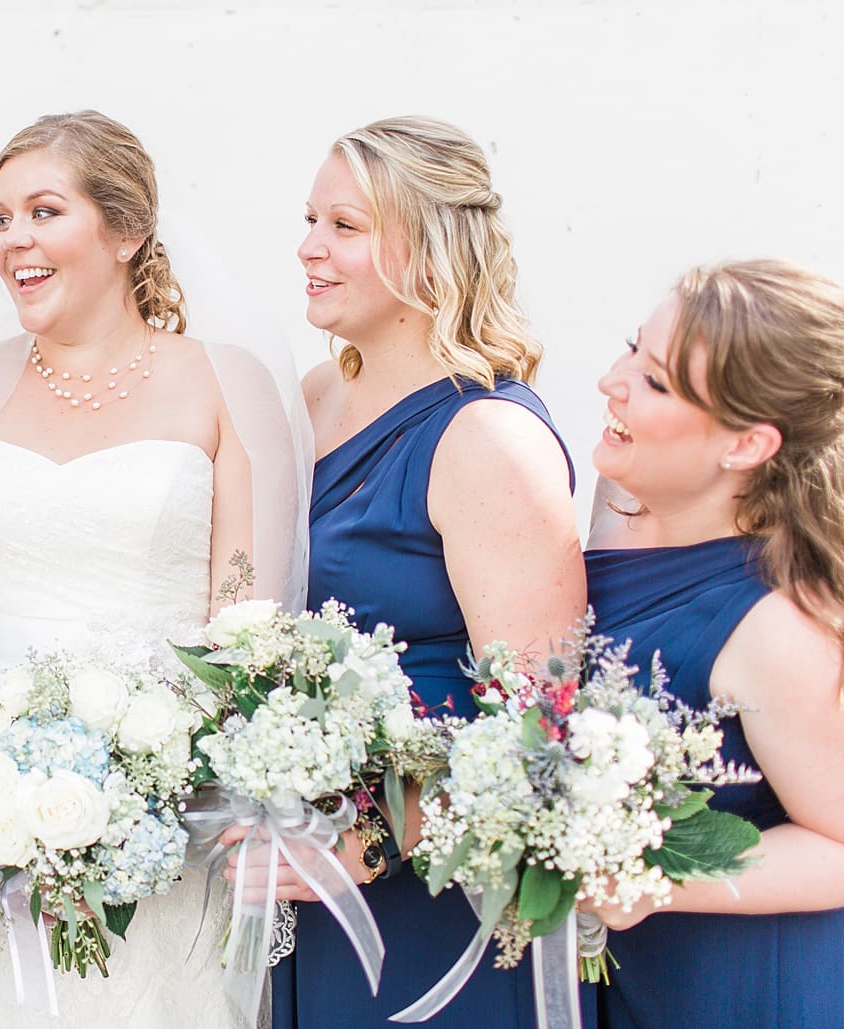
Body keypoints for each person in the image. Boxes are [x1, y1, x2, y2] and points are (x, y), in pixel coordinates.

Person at [0, 110, 311, 1028]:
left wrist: (149, 779)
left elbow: (245, 630)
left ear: (126, 230)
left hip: (160, 833)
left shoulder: (226, 383)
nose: (13, 241)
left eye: (42, 211)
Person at [253, 116, 588, 1027]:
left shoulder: (488, 439)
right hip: (309, 881)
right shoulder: (319, 398)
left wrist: (377, 833)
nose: (307, 247)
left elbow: (541, 734)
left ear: (432, 254)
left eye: (344, 227)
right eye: (310, 220)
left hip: (428, 898)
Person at [583, 260, 844, 1027]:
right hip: (632, 980)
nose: (610, 380)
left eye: (656, 382)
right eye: (631, 348)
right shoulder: (619, 500)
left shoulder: (772, 625)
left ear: (746, 444)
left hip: (740, 989)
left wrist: (650, 879)